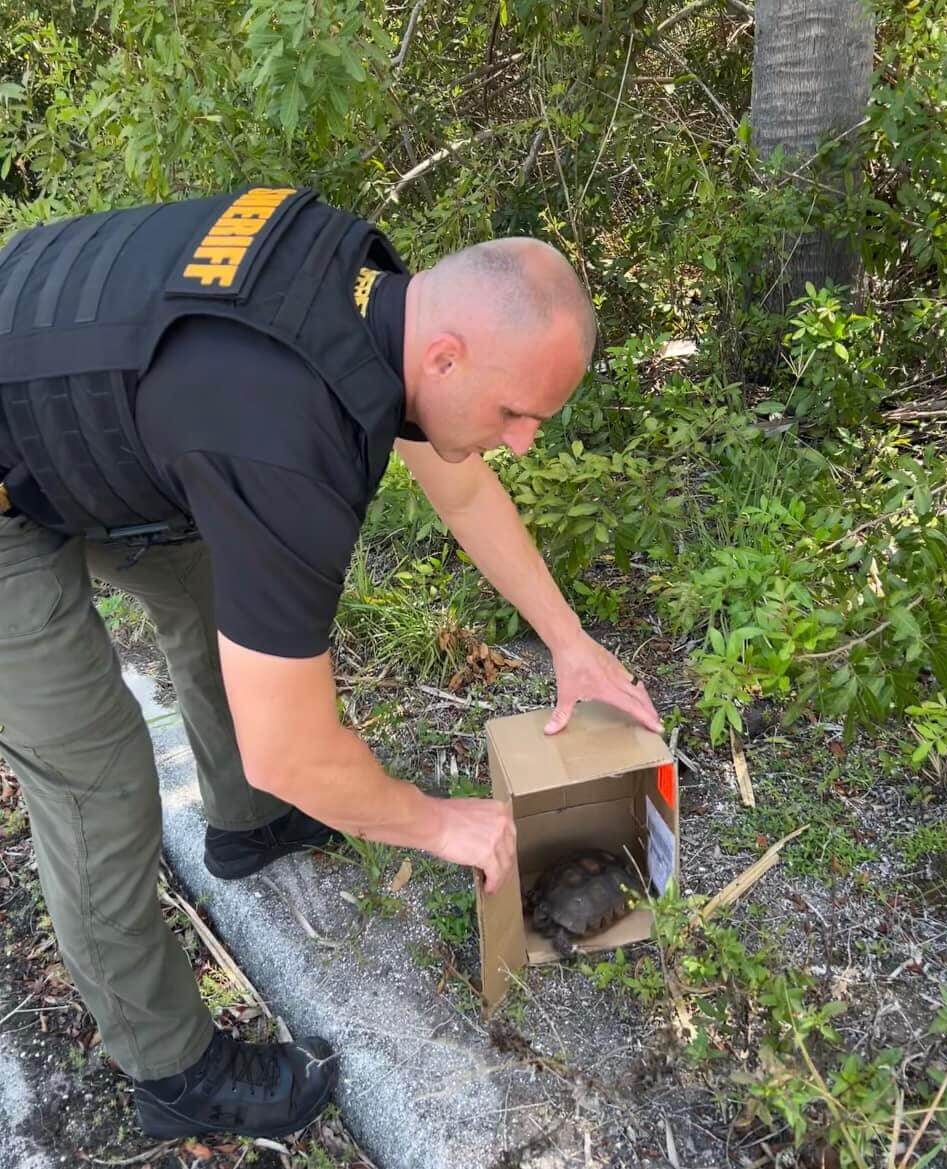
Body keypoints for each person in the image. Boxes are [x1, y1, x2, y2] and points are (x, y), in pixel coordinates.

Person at [0, 185, 662, 1140]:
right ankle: (170, 1070)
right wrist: (439, 822)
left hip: (88, 401)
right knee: (95, 779)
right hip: (21, 459)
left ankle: (249, 826)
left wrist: (570, 640)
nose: (522, 443)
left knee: (211, 595)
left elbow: (462, 489)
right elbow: (292, 748)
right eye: (517, 413)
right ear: (447, 357)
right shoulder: (289, 444)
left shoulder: (367, 289)